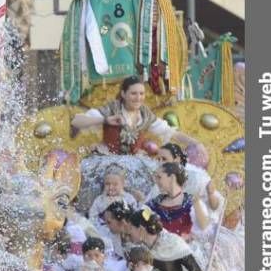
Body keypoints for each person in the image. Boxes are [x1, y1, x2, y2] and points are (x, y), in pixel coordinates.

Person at [70, 76, 205, 156]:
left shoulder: (145, 115)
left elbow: (171, 133)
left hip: (134, 165)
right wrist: (105, 119)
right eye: (134, 93)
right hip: (107, 160)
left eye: (141, 94)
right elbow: (77, 121)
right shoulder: (112, 109)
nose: (138, 98)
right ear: (123, 94)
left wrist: (196, 144)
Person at [126, 208, 202, 271]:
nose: (128, 232)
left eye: (131, 229)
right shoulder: (141, 248)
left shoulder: (172, 243)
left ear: (141, 229)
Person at [150, 142, 222, 212]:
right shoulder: (158, 177)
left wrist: (210, 194)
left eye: (164, 159)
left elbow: (215, 206)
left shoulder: (196, 177)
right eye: (158, 159)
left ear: (177, 160)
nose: (160, 163)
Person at [148, 162, 210, 239]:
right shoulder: (156, 200)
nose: (156, 181)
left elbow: (203, 226)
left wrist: (196, 202)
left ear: (172, 178)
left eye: (159, 177)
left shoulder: (192, 203)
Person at [88, 164, 138, 228]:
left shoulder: (128, 198)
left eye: (115, 184)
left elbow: (134, 216)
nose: (110, 187)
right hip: (103, 230)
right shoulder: (100, 200)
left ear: (123, 184)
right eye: (107, 184)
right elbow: (92, 217)